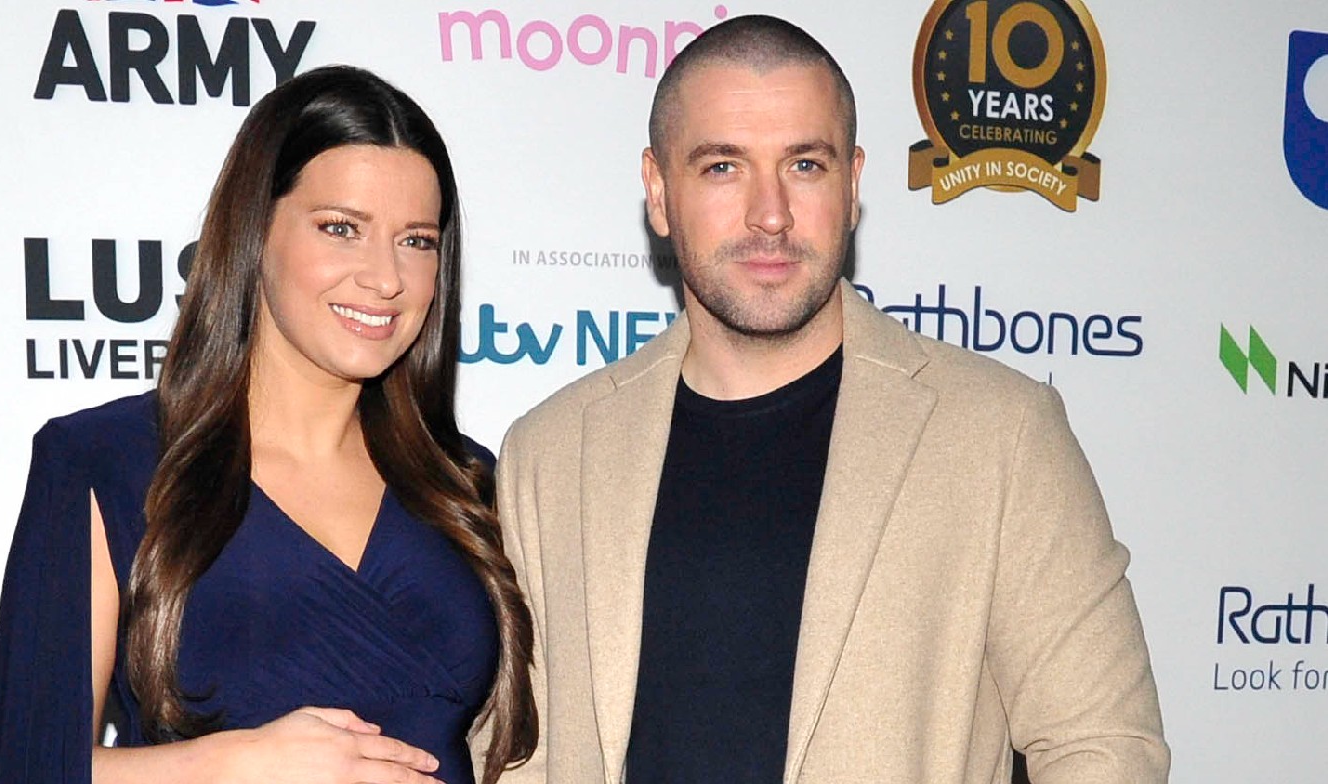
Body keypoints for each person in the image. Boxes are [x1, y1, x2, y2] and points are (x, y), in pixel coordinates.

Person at [491, 15, 1169, 783]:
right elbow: (519, 755)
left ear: (852, 184)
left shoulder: (1000, 434)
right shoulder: (552, 450)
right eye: (722, 167)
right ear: (658, 190)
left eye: (805, 165)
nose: (770, 214)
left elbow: (1105, 747)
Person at [0, 66, 535, 784]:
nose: (385, 277)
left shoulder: (465, 480)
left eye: (417, 241)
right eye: (342, 229)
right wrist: (239, 762)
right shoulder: (103, 463)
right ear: (254, 232)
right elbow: (25, 768)